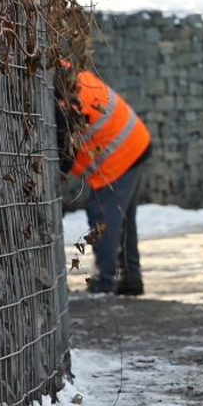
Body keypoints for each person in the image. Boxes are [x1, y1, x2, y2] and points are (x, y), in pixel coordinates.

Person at [59, 68, 152, 296]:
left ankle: (105, 283)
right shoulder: (64, 74)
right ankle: (129, 278)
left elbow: (62, 149)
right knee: (122, 219)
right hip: (134, 142)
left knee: (103, 216)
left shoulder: (59, 91)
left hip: (119, 154)